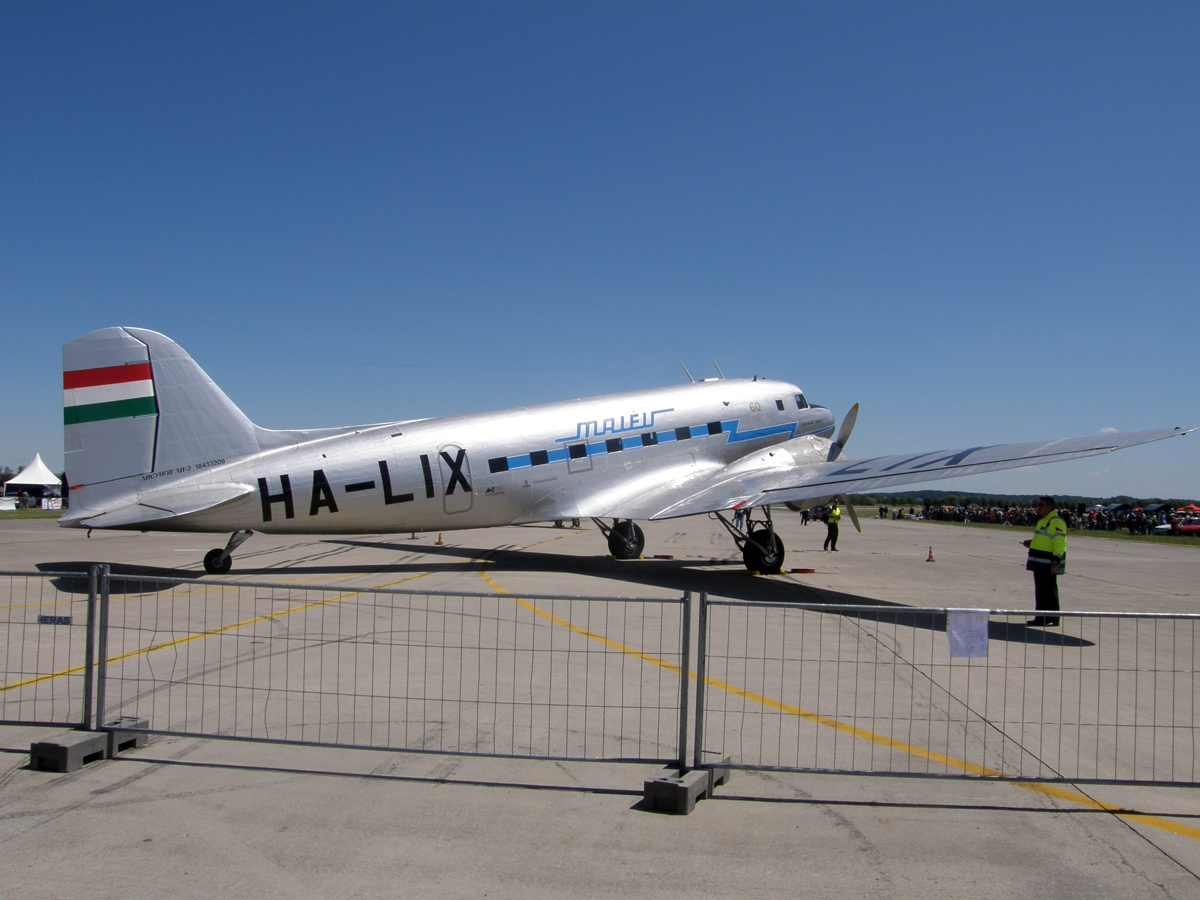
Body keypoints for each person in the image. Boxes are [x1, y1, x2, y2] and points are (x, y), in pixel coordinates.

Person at [1023, 496, 1066, 627]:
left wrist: (1056, 560)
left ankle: (1053, 617)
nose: (1039, 507)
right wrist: (1032, 543)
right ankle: (1041, 617)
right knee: (1041, 590)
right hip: (1039, 561)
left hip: (1048, 562)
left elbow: (1059, 542)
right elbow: (1044, 540)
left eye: (1042, 505)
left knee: (1049, 590)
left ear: (1050, 507)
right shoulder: (1043, 521)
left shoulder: (1056, 522)